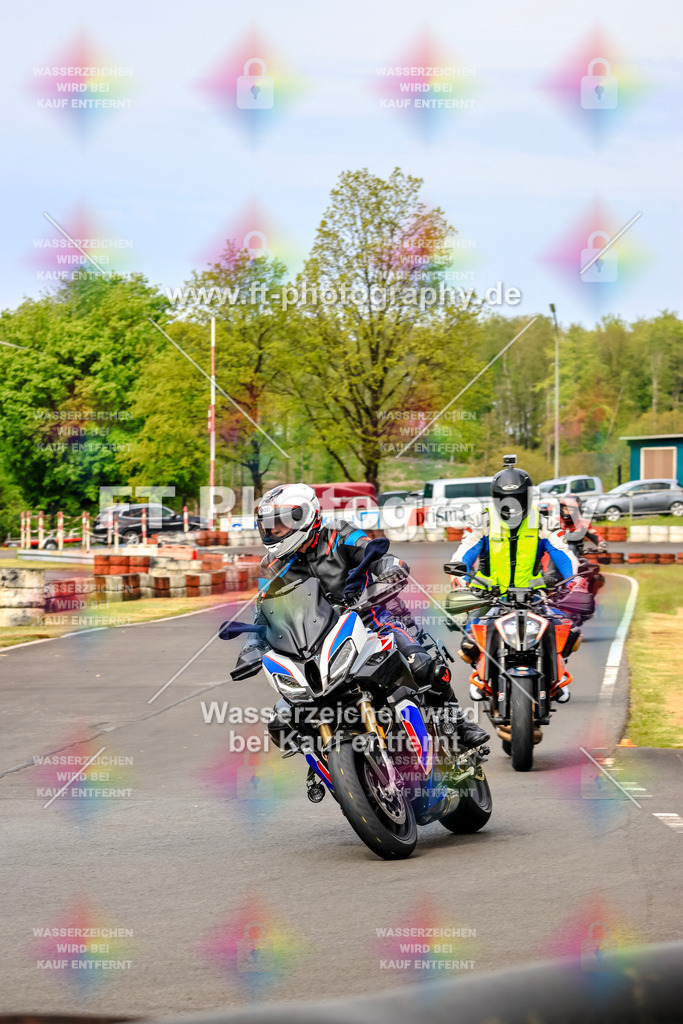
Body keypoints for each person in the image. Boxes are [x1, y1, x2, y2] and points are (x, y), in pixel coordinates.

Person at [236, 483, 489, 750]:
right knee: (283, 723)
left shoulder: (340, 533)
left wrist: (390, 567)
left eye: (280, 524)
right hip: (313, 641)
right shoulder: (270, 566)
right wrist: (253, 645)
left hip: (371, 618)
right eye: (268, 526)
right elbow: (263, 614)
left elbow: (376, 555)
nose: (273, 532)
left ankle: (459, 724)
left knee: (423, 666)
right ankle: (327, 763)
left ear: (304, 516)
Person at [451, 456, 580, 702]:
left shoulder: (544, 522)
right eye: (504, 498)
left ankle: (556, 677)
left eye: (518, 497)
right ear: (495, 498)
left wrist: (573, 580)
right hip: (489, 594)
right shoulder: (483, 521)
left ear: (528, 496)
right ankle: (481, 675)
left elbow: (564, 554)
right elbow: (464, 553)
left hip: (532, 594)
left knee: (568, 631)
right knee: (469, 641)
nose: (511, 504)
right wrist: (459, 576)